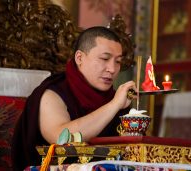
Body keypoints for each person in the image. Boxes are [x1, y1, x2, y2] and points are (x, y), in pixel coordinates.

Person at [11, 26, 137, 170]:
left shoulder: (116, 99)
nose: (112, 69)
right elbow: (60, 138)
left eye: (118, 61)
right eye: (105, 58)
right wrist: (114, 105)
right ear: (79, 58)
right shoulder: (52, 93)